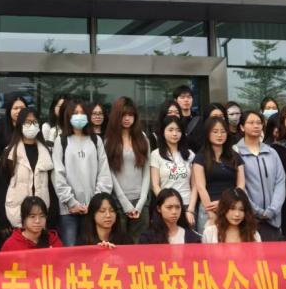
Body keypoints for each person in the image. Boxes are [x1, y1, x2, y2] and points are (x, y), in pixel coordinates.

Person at [52, 99, 113, 246]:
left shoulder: (96, 140)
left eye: (82, 113)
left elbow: (104, 173)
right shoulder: (61, 141)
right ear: (68, 116)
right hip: (69, 211)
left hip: (93, 209)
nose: (79, 116)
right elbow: (58, 175)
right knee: (71, 251)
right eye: (75, 113)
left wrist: (95, 203)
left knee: (94, 249)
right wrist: (71, 202)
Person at [0, 107, 56, 239]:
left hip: (40, 217)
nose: (31, 125)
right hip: (15, 215)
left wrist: (52, 215)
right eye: (27, 122)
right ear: (20, 125)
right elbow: (1, 187)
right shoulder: (9, 152)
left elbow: (51, 186)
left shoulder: (46, 152)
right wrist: (2, 217)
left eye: (35, 122)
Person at [103, 97, 151, 242]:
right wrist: (125, 203)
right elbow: (110, 173)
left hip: (141, 202)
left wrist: (141, 202)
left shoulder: (142, 138)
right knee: (120, 245)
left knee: (140, 245)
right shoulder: (109, 141)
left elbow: (147, 171)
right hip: (118, 202)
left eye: (130, 115)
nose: (127, 119)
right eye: (123, 115)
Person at [234, 111, 286, 241]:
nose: (256, 126)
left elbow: (280, 181)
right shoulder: (235, 152)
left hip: (273, 219)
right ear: (242, 127)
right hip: (248, 218)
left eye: (259, 122)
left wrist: (273, 209)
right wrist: (255, 210)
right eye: (251, 123)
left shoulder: (271, 152)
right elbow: (239, 186)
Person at [192, 116, 245, 233]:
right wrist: (210, 212)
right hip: (209, 208)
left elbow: (241, 185)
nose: (220, 135)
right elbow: (200, 187)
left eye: (223, 131)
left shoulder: (235, 156)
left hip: (232, 208)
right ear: (207, 134)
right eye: (215, 132)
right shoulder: (200, 157)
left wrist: (227, 204)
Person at [149, 116, 197, 230]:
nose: (175, 134)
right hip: (166, 206)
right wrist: (166, 202)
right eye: (170, 130)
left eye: (178, 130)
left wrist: (190, 210)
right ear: (163, 132)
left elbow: (195, 185)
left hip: (186, 205)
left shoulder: (190, 155)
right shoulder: (156, 155)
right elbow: (155, 185)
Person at [172, 85, 202, 149]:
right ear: (175, 100)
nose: (186, 100)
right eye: (182, 97)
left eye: (189, 97)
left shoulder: (199, 120)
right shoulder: (172, 120)